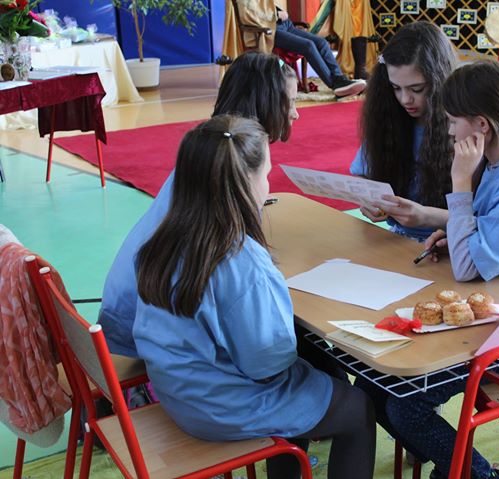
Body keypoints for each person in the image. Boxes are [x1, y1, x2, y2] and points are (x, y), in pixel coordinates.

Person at [133, 115, 376, 479]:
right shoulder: (240, 259)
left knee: (309, 375)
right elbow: (267, 367)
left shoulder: (164, 239)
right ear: (246, 182)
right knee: (357, 409)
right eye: (266, 173)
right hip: (219, 407)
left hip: (177, 391)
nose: (268, 182)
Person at [383, 60, 499, 479]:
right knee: (375, 386)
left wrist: (460, 182)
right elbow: (485, 235)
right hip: (488, 319)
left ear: (481, 125)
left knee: (403, 405)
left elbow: (469, 269)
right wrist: (452, 232)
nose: (449, 131)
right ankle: (458, 469)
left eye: (453, 121)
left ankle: (482, 476)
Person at [99, 52, 299, 357]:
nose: (296, 114)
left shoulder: (211, 150)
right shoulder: (232, 167)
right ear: (268, 103)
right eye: (291, 102)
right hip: (143, 332)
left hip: (137, 315)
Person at [349, 21, 455, 242]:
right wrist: (369, 200)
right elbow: (363, 174)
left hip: (451, 243)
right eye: (396, 88)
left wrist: (426, 217)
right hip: (399, 239)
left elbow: (486, 221)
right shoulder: (389, 118)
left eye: (417, 89)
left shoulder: (463, 126)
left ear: (439, 82)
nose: (405, 99)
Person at [275, 4, 366, 98]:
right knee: (309, 46)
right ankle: (335, 85)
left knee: (322, 42)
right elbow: (263, 15)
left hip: (286, 24)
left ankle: (339, 78)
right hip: (273, 30)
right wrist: (277, 15)